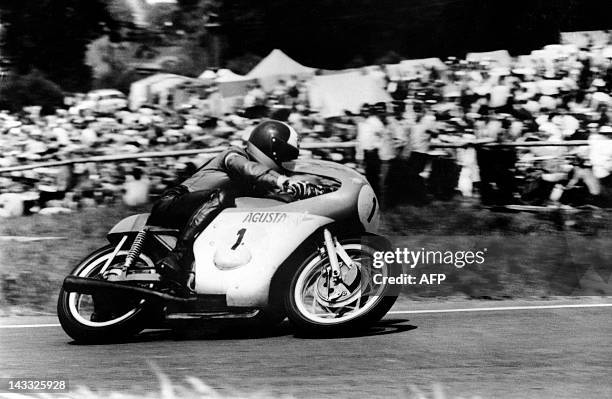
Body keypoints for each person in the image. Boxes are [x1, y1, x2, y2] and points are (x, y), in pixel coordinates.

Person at [105, 120, 319, 294]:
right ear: (270, 147)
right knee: (222, 195)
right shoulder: (234, 156)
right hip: (173, 203)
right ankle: (178, 257)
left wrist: (305, 194)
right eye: (285, 155)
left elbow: (274, 197)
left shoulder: (256, 183)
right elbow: (249, 169)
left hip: (198, 214)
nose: (287, 162)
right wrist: (282, 180)